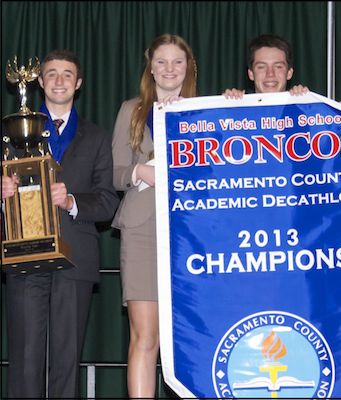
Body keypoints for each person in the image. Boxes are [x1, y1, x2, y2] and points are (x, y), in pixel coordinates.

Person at [5, 49, 119, 398]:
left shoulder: (97, 137)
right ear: (40, 82)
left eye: (67, 74)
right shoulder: (10, 132)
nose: (59, 80)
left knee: (67, 359)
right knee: (25, 358)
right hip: (24, 256)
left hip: (75, 257)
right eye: (52, 74)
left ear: (79, 84)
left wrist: (71, 202)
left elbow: (108, 202)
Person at [111, 34, 197, 398]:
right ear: (150, 67)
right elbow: (115, 174)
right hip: (143, 231)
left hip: (193, 230)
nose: (169, 69)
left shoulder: (205, 110)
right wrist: (140, 173)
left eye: (177, 62)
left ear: (189, 68)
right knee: (145, 337)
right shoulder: (131, 110)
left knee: (191, 336)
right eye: (161, 62)